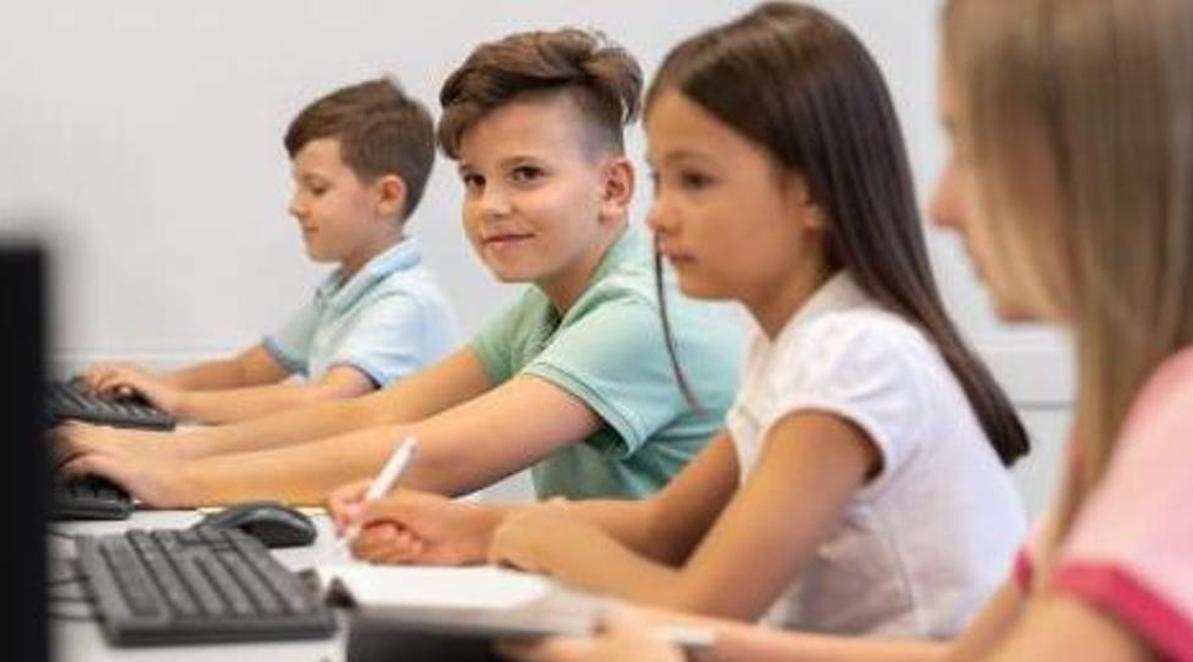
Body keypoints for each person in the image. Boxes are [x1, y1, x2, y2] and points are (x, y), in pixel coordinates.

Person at [501, 0, 1193, 662]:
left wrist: (649, 640)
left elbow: (699, 595)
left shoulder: (854, 351)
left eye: (971, 148)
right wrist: (666, 640)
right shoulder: (1131, 432)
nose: (943, 205)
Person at [332, 2, 1028, 639]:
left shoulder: (853, 354)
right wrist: (471, 528)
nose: (660, 214)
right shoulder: (789, 345)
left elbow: (699, 607)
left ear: (812, 191)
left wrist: (538, 538)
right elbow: (662, 527)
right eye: (664, 181)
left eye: (695, 181)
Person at [54, 28, 741, 508]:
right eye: (474, 180)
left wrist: (178, 476)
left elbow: (429, 455)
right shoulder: (547, 305)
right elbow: (380, 413)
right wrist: (165, 456)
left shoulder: (640, 312)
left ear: (614, 188)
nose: (491, 206)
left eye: (525, 174)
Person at [79, 77, 459, 424]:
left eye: (317, 188)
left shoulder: (405, 303)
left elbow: (327, 400)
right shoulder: (346, 288)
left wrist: (176, 403)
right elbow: (246, 372)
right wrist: (151, 386)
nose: (296, 206)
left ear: (387, 195)